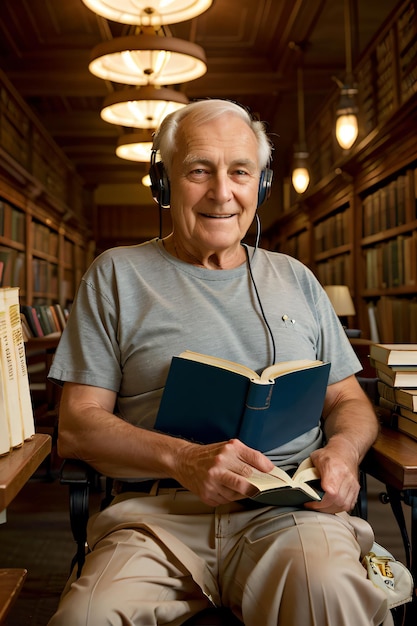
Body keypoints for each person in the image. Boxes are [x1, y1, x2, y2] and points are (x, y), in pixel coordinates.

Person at [47, 99, 392, 626]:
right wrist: (182, 460)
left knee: (331, 597)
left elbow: (348, 399)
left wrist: (344, 451)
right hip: (155, 517)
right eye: (198, 171)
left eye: (240, 172)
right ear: (162, 183)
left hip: (292, 514)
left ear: (262, 185)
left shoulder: (297, 279)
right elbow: (75, 426)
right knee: (85, 617)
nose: (221, 193)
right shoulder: (115, 275)